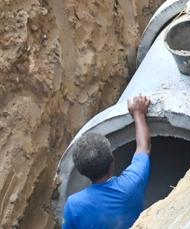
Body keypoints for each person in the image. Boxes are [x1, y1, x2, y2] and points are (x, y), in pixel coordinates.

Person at [63, 95, 152, 229]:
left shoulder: (74, 205)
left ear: (81, 172)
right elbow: (144, 146)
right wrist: (138, 114)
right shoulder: (133, 182)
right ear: (113, 159)